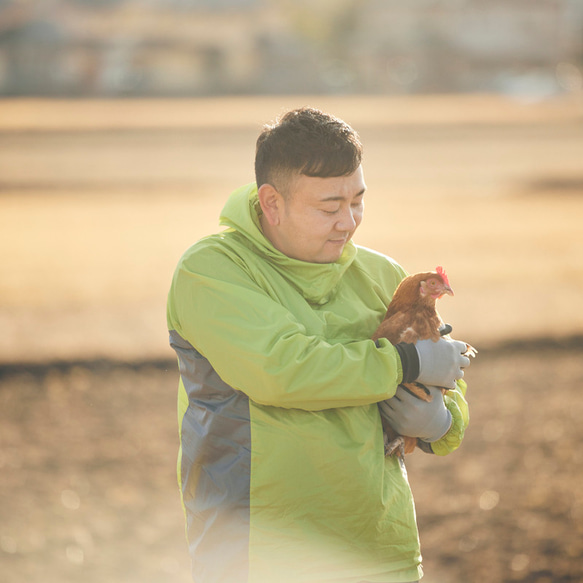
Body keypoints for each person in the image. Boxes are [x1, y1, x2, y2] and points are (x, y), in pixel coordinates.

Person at [167, 107, 472, 583]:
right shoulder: (212, 271)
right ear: (271, 203)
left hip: (379, 552)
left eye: (358, 202)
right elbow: (283, 369)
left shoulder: (382, 275)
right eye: (329, 208)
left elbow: (447, 381)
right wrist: (405, 362)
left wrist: (441, 421)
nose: (348, 222)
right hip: (259, 556)